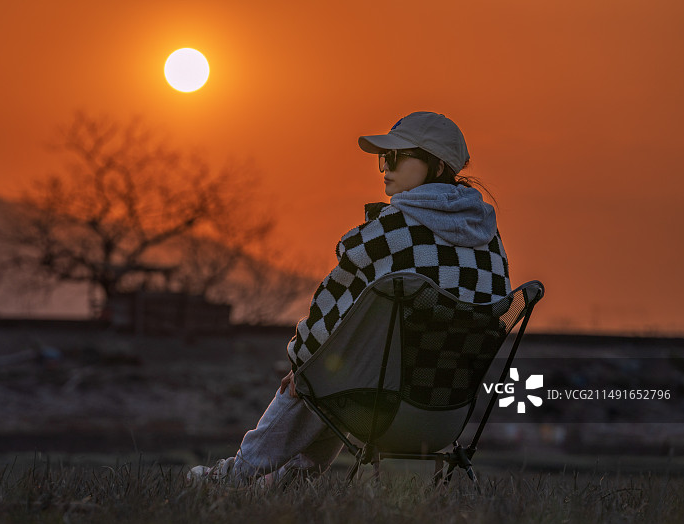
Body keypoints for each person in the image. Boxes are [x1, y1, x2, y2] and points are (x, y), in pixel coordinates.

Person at [188, 111, 511, 485]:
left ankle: (237, 476)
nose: (384, 169)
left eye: (395, 157)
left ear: (436, 166)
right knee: (333, 369)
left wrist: (301, 365)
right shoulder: (491, 243)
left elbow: (328, 311)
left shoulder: (389, 232)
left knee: (315, 372)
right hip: (449, 413)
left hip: (383, 406)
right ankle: (283, 482)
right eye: (382, 159)